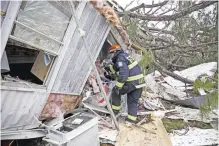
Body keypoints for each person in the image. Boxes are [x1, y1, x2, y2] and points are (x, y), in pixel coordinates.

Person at [104, 44, 146, 124]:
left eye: (111, 53)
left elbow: (124, 73)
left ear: (115, 52)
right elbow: (117, 67)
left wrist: (118, 86)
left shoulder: (120, 58)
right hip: (140, 83)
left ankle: (114, 112)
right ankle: (131, 120)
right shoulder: (125, 56)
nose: (111, 55)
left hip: (132, 82)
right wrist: (108, 68)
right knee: (132, 101)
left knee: (115, 92)